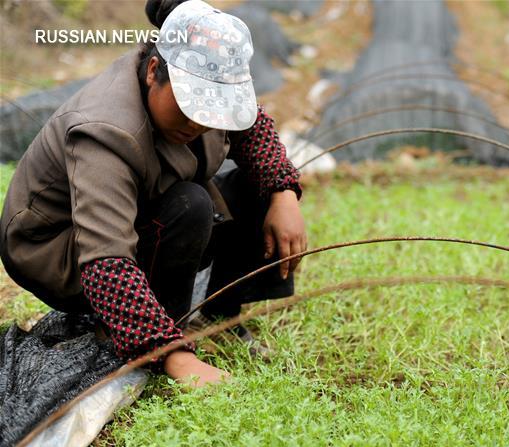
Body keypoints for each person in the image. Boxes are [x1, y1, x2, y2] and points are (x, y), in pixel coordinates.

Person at [0, 0, 307, 387]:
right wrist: (172, 355)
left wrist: (283, 194)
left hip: (137, 208)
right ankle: (154, 333)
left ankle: (221, 315)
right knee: (190, 204)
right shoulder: (104, 131)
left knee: (256, 186)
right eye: (190, 105)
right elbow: (105, 260)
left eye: (211, 108)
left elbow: (252, 126)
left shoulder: (195, 94)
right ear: (152, 72)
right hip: (62, 250)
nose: (198, 123)